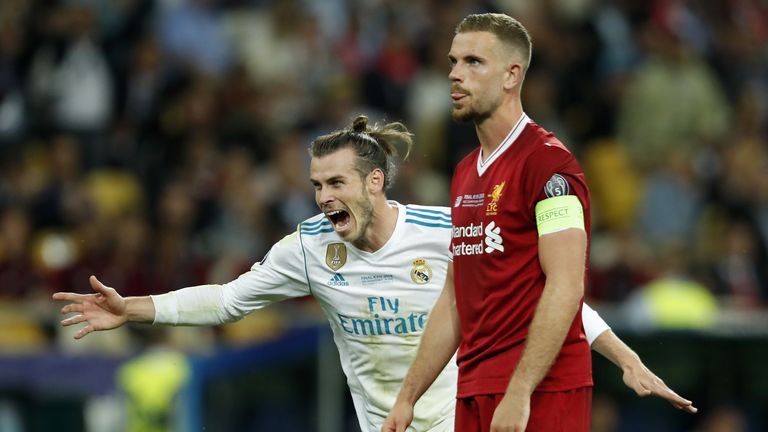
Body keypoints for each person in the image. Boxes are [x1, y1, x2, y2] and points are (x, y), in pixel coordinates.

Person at [54, 116, 692, 432]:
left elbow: (547, 294)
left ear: (375, 182)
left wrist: (625, 359)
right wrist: (134, 309)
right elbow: (228, 300)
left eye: (336, 183)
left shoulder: (448, 231)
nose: (323, 197)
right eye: (315, 185)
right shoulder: (308, 249)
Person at [383, 13, 695, 432]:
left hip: (541, 391)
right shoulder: (464, 173)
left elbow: (565, 285)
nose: (455, 74)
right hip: (474, 389)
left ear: (512, 75)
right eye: (453, 61)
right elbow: (456, 297)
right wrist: (408, 398)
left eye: (473, 62)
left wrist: (520, 391)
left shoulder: (549, 165)